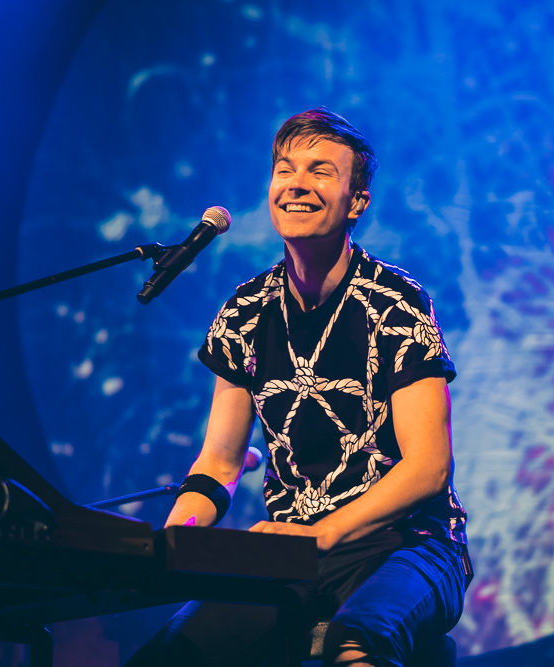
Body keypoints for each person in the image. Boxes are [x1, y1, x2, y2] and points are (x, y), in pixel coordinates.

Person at [125, 108, 469, 667]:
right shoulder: (244, 311)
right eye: (284, 169)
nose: (296, 184)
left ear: (357, 201)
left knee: (356, 640)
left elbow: (428, 468)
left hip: (409, 545)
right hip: (292, 557)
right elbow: (219, 463)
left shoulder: (395, 303)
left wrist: (321, 535)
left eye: (320, 171)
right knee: (166, 659)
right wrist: (173, 542)